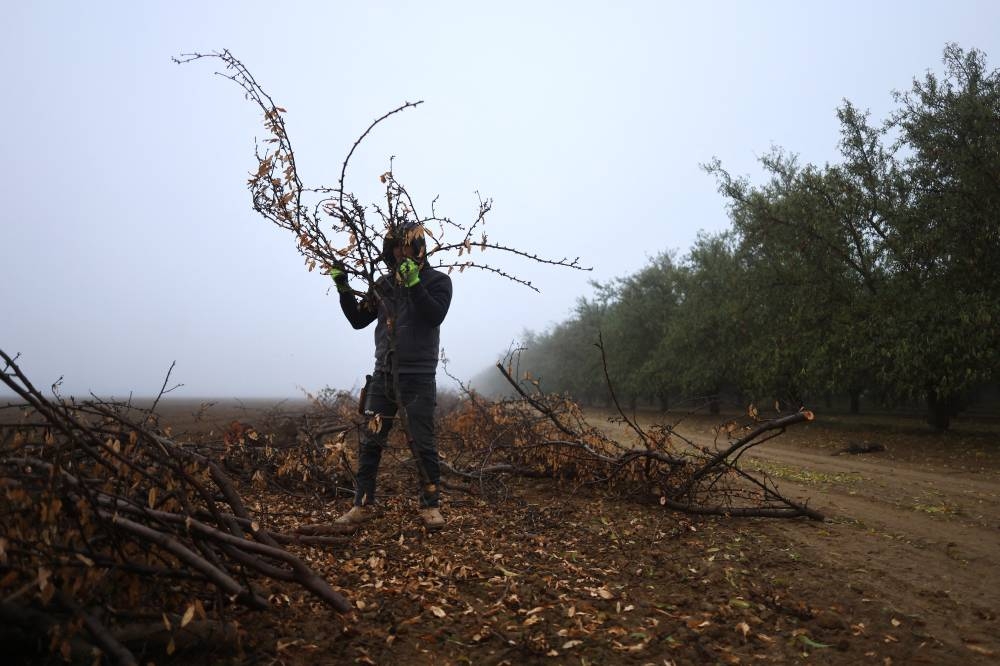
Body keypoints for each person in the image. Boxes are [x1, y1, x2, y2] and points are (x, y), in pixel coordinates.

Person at [328, 221, 452, 530]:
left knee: (423, 443)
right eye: (396, 246)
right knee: (370, 442)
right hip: (383, 375)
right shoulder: (382, 285)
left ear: (420, 247)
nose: (402, 252)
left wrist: (413, 284)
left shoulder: (439, 281)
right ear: (389, 251)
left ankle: (430, 506)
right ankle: (362, 505)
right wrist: (343, 287)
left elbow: (434, 314)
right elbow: (359, 320)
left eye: (408, 245)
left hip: (419, 377)